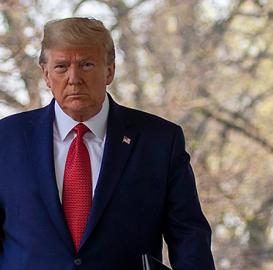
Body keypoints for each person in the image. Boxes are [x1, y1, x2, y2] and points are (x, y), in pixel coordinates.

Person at [0, 17, 215, 269]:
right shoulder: (7, 140)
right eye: (61, 67)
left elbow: (189, 239)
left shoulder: (159, 141)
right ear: (45, 74)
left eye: (87, 64)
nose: (74, 78)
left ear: (110, 70)